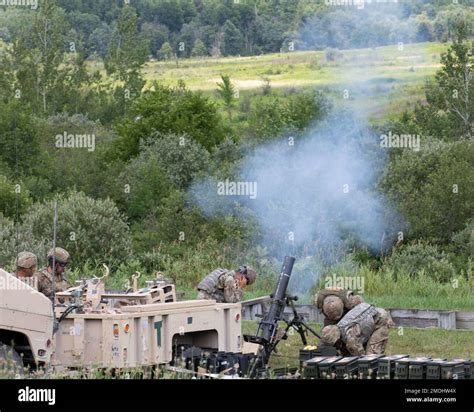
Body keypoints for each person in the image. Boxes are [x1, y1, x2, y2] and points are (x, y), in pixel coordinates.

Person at [320, 302, 394, 356]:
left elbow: (360, 358)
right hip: (371, 317)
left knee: (371, 356)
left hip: (380, 320)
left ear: (336, 340)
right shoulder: (339, 327)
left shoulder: (350, 337)